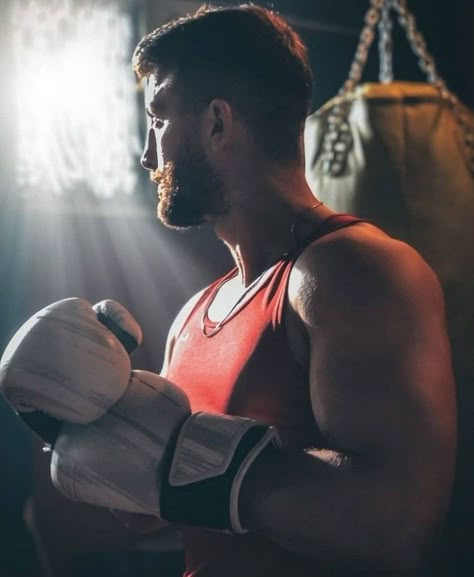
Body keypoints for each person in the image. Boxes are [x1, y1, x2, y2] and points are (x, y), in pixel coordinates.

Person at [0, 4, 456, 577]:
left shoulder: (350, 271)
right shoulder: (194, 314)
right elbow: (200, 505)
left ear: (218, 123)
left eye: (159, 119)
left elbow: (395, 523)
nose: (147, 155)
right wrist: (112, 454)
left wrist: (194, 463)